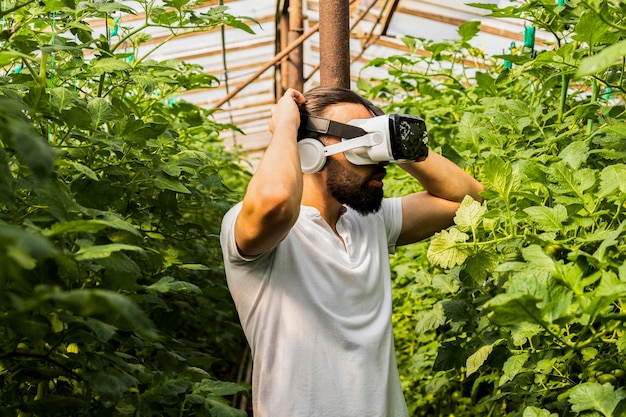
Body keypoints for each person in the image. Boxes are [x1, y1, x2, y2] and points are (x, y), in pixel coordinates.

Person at [220, 86, 484, 417]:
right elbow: (275, 202)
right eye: (363, 143)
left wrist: (395, 140)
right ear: (309, 151)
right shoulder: (262, 232)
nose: (380, 160)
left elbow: (467, 201)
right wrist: (285, 126)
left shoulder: (370, 222)